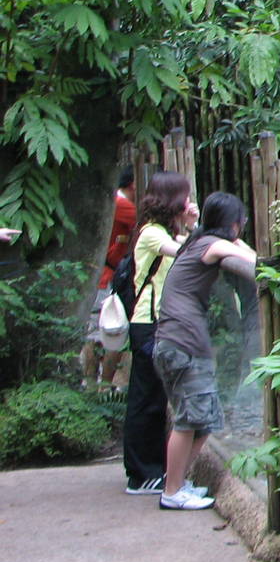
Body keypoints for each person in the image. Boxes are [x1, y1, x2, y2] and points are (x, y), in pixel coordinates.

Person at [152, 191, 256, 511]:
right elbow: (255, 261)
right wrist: (237, 239)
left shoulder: (198, 241)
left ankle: (180, 484)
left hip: (179, 342)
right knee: (188, 420)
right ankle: (171, 491)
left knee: (205, 419)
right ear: (234, 225)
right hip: (182, 345)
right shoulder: (211, 245)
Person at [121, 171, 198, 496]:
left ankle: (152, 471)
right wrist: (194, 229)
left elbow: (198, 245)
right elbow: (187, 253)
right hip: (147, 324)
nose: (189, 201)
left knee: (153, 398)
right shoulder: (152, 233)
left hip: (159, 323)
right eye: (185, 196)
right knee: (146, 400)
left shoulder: (164, 231)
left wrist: (194, 226)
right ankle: (141, 474)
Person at [81, 168, 137, 393]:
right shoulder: (121, 205)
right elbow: (144, 220)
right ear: (133, 185)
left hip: (100, 276)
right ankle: (103, 385)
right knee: (114, 331)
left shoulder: (108, 201)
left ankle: (93, 384)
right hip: (108, 279)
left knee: (94, 331)